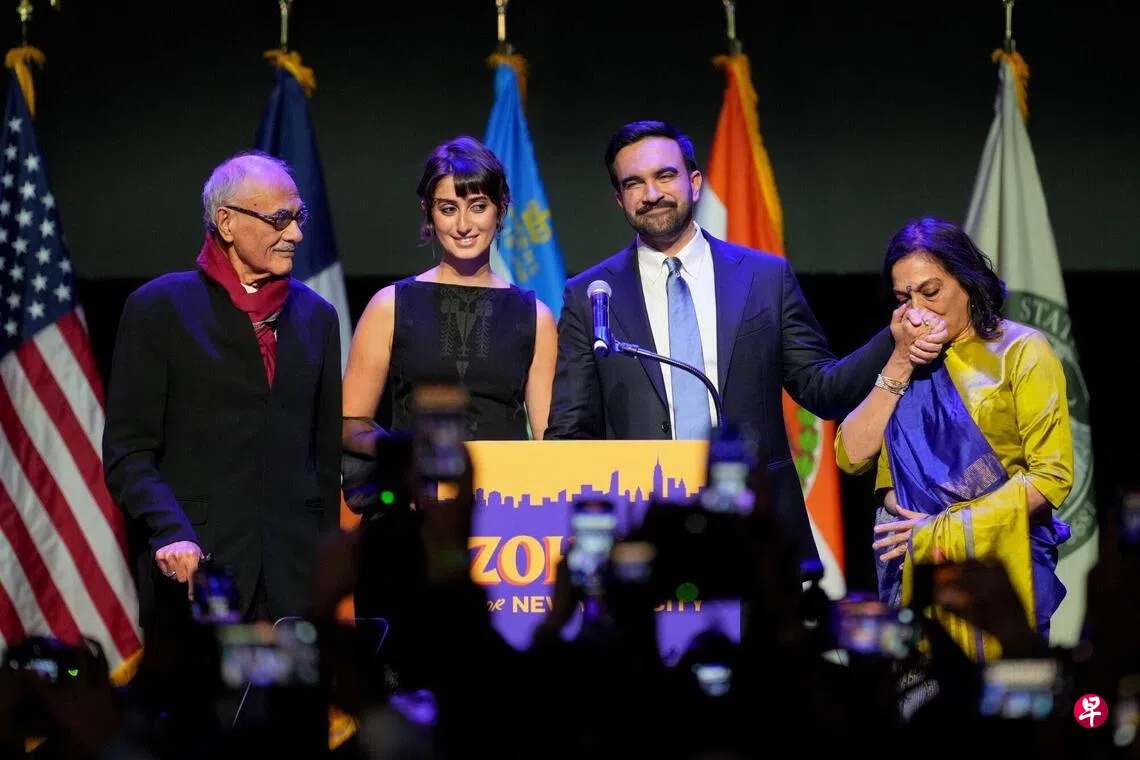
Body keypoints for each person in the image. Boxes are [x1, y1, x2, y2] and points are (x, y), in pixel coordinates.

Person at [545, 120, 934, 563]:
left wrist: (892, 340)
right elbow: (570, 433)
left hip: (757, 533)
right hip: (641, 538)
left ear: (694, 182)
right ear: (619, 199)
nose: (651, 193)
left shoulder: (764, 277)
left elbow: (822, 391)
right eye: (633, 183)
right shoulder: (591, 294)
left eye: (665, 175)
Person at [103, 151, 342, 628]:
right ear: (227, 222)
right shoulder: (160, 310)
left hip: (295, 585)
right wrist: (171, 531)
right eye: (279, 219)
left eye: (298, 218)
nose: (295, 234)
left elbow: (323, 459)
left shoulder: (318, 317)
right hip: (197, 571)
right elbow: (129, 452)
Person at [834, 217, 1073, 657]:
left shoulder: (1022, 351)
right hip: (914, 570)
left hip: (999, 571)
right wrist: (900, 363)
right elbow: (852, 457)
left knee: (997, 697)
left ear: (967, 283)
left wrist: (940, 529)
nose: (918, 312)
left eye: (931, 292)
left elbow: (1051, 478)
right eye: (904, 299)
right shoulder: (904, 361)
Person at [342, 135, 557, 445]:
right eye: (448, 209)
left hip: (506, 477)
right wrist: (401, 461)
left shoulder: (536, 317)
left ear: (500, 209)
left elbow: (547, 442)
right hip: (415, 476)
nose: (463, 225)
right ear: (428, 212)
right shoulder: (389, 306)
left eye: (478, 207)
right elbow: (352, 424)